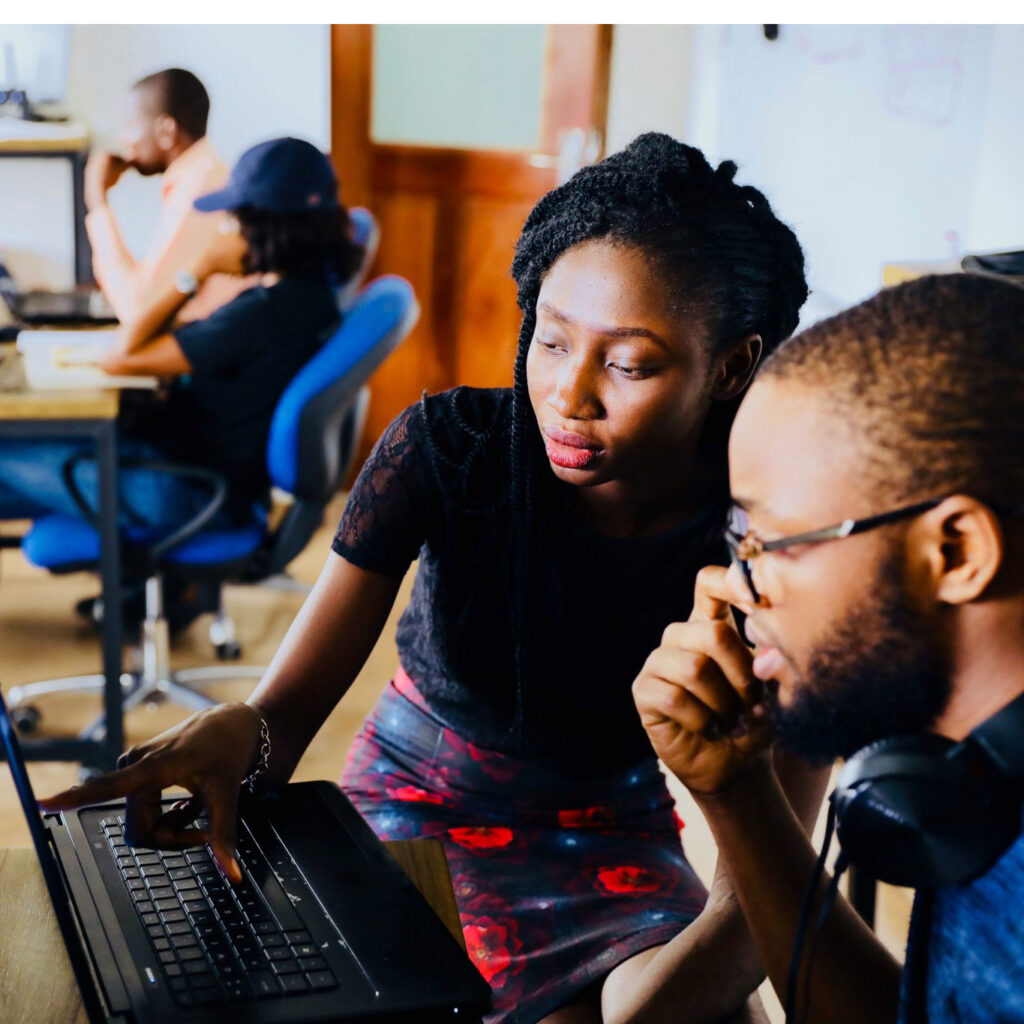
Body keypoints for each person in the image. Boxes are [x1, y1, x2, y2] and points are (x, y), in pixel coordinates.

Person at [43, 134, 825, 1024]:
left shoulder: (774, 548)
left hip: (613, 833)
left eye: (628, 363)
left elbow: (759, 898)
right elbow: (284, 721)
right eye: (552, 341)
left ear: (729, 366)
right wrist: (242, 736)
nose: (569, 396)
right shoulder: (449, 454)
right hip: (416, 801)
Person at [632, 273, 1024, 1024]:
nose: (732, 584)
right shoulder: (964, 776)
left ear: (955, 551)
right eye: (737, 538)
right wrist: (737, 793)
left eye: (773, 541)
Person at [0, 137, 363, 531]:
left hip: (181, 493)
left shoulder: (259, 314)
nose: (225, 227)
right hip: (201, 476)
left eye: (233, 217)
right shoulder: (312, 297)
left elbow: (119, 356)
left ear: (262, 226)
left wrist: (198, 268)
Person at [85, 67, 255, 324]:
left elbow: (138, 310)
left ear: (167, 131)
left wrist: (97, 201)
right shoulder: (200, 174)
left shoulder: (200, 188)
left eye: (130, 125)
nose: (123, 139)